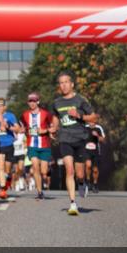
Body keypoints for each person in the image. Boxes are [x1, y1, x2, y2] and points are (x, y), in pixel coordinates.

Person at [50, 72, 97, 216]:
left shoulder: (80, 100)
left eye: (66, 82)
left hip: (80, 138)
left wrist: (79, 115)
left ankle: (82, 183)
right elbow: (56, 118)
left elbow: (94, 117)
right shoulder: (57, 103)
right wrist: (54, 128)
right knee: (69, 170)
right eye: (61, 83)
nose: (63, 85)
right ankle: (72, 203)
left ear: (72, 84)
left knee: (80, 174)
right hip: (65, 139)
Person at [20, 92, 54, 199]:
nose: (32, 103)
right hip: (32, 145)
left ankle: (43, 182)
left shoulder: (46, 114)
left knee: (44, 172)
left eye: (34, 101)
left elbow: (53, 127)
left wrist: (46, 130)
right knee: (35, 167)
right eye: (30, 101)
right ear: (28, 103)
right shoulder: (24, 115)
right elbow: (22, 127)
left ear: (38, 102)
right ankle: (39, 192)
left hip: (44, 145)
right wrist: (23, 130)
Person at [0, 97, 20, 200]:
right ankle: (2, 190)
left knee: (7, 169)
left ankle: (6, 182)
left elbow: (17, 129)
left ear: (5, 106)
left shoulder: (10, 116)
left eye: (1, 105)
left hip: (9, 144)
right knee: (0, 167)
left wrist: (8, 127)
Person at [84, 123, 106, 194]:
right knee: (88, 165)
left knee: (95, 170)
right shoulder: (85, 127)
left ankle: (95, 184)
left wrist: (97, 136)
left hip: (96, 151)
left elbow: (103, 140)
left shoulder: (99, 128)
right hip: (86, 151)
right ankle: (87, 181)